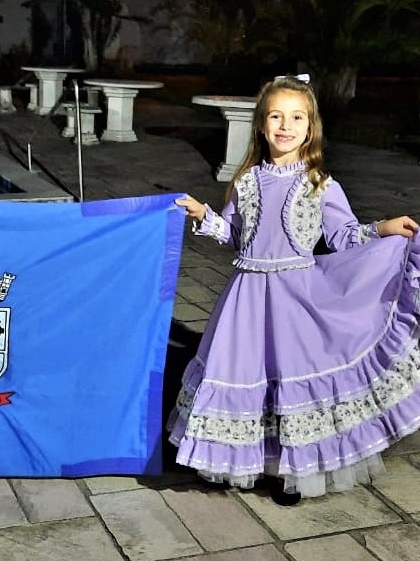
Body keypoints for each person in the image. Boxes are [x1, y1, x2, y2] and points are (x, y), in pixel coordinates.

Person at [168, 75, 420, 506]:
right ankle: (229, 458)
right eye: (276, 116)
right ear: (262, 126)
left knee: (289, 379)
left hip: (298, 299)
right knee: (242, 372)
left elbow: (342, 236)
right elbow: (234, 234)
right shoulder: (247, 181)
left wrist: (383, 229)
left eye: (297, 117)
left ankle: (292, 473)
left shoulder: (321, 183)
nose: (286, 125)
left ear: (310, 127)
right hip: (245, 299)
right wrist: (203, 214)